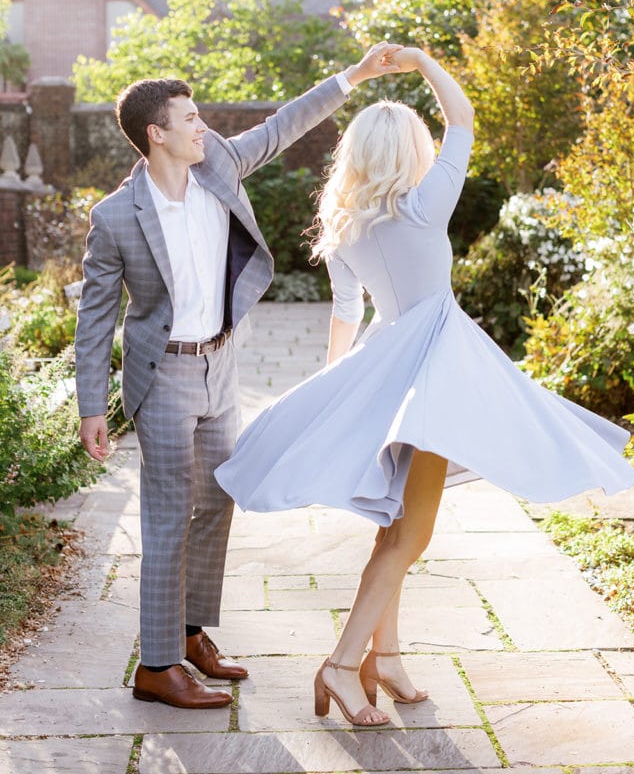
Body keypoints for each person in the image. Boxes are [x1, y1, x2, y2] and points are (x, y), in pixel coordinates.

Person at [213, 46, 634, 727]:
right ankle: (343, 665)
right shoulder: (421, 205)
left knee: (394, 526)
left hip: (392, 366)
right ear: (409, 150)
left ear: (353, 156)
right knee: (410, 535)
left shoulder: (346, 227)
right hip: (436, 372)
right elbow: (462, 118)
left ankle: (386, 658)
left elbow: (347, 314)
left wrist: (339, 385)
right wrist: (417, 61)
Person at [74, 42, 403, 710]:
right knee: (167, 514)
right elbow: (95, 316)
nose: (203, 127)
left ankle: (190, 635)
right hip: (162, 375)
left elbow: (282, 125)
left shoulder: (218, 163)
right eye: (188, 119)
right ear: (155, 134)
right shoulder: (115, 217)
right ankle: (157, 666)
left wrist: (355, 75)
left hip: (219, 365)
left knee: (218, 499)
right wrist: (91, 407)